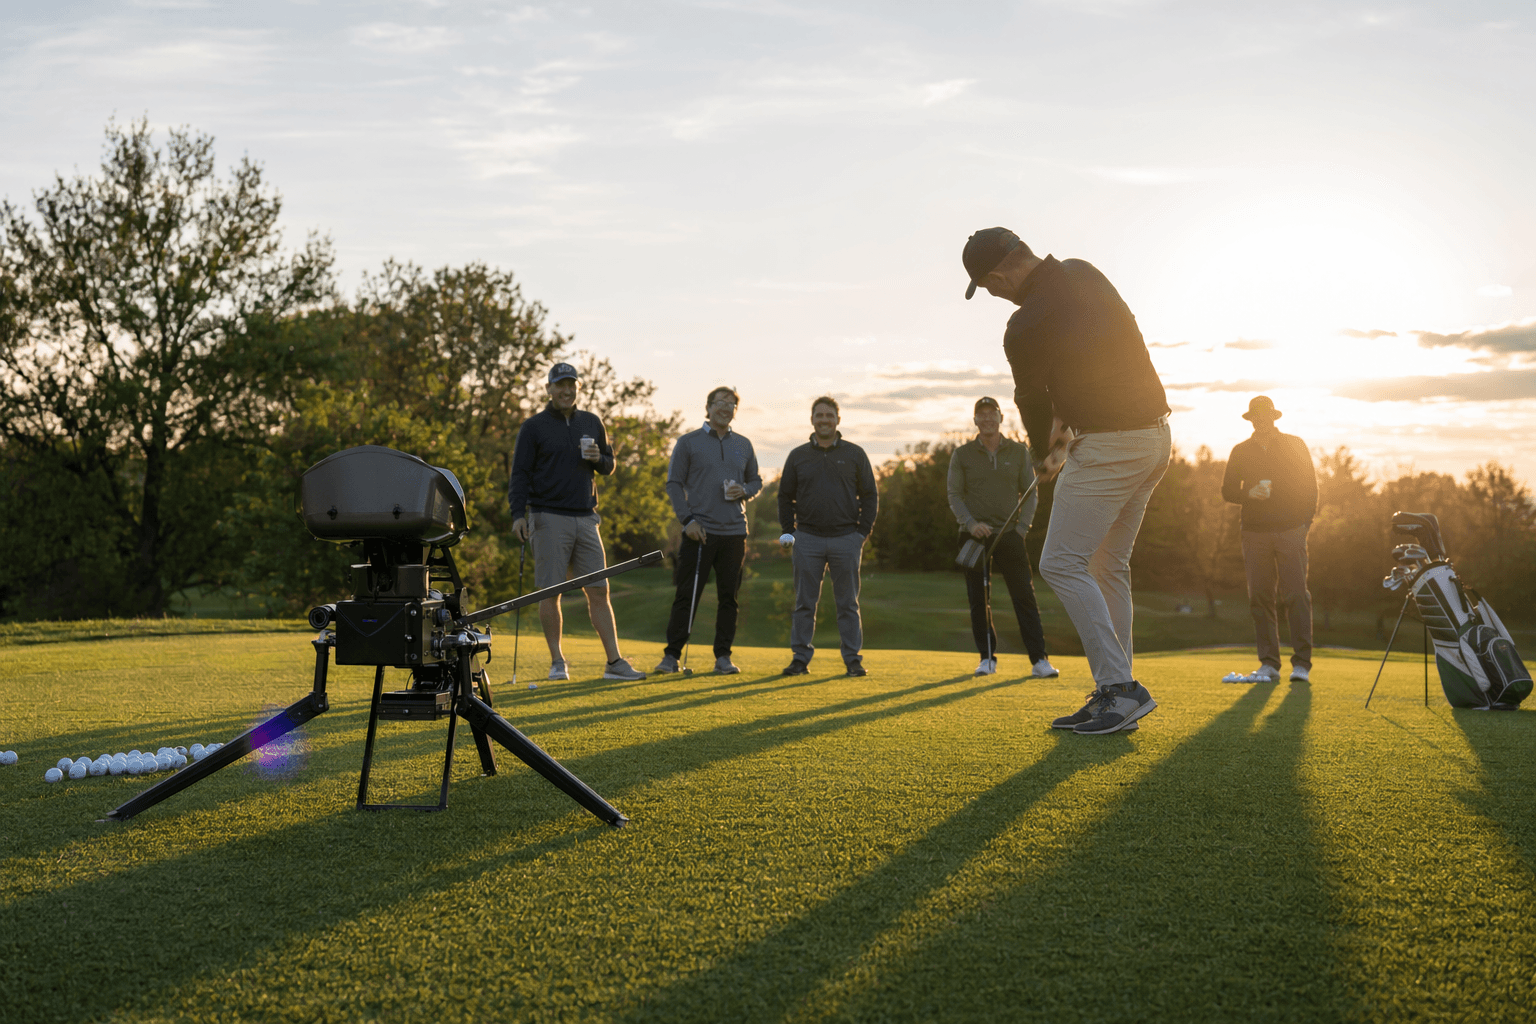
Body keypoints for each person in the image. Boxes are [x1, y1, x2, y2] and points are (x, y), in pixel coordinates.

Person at [963, 226, 1171, 735]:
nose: (993, 296)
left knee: (1060, 562)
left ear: (997, 274)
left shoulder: (1024, 324)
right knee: (1107, 564)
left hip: (1109, 445)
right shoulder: (1083, 271)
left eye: (988, 287)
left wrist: (1044, 453)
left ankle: (1121, 690)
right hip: (1156, 438)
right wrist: (1065, 430)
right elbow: (1106, 352)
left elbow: (1032, 401)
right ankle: (1113, 691)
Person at [508, 362, 646, 682]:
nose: (566, 390)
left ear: (578, 388)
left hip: (586, 518)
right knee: (550, 592)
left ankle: (614, 663)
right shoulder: (534, 427)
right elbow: (520, 475)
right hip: (547, 516)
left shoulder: (591, 422)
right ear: (549, 389)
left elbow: (609, 465)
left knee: (599, 590)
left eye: (572, 385)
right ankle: (558, 661)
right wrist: (518, 515)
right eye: (560, 385)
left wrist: (599, 458)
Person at [948, 396, 1059, 679]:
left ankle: (1039, 660)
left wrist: (1022, 528)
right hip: (973, 537)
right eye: (981, 415)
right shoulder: (962, 454)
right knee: (978, 598)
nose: (987, 419)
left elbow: (1031, 493)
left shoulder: (1018, 451)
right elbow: (955, 495)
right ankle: (986, 659)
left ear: (1000, 417)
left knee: (1024, 596)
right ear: (975, 420)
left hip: (1009, 534)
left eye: (992, 414)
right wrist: (970, 524)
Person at [654, 386, 762, 675]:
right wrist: (687, 521)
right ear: (709, 407)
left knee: (730, 598)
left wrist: (746, 490)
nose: (726, 408)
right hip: (698, 532)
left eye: (731, 404)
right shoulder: (688, 442)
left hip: (735, 532)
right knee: (687, 595)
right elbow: (674, 484)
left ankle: (723, 657)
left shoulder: (744, 444)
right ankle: (671, 656)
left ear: (735, 412)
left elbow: (756, 481)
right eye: (721, 402)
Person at [776, 396, 879, 677]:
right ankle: (800, 659)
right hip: (806, 538)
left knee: (848, 604)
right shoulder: (798, 455)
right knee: (804, 603)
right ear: (812, 419)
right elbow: (785, 496)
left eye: (829, 415)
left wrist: (861, 533)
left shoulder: (855, 454)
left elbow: (870, 495)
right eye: (819, 415)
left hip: (846, 538)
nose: (824, 420)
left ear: (838, 420)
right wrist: (789, 531)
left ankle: (852, 660)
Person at [1221, 395, 1318, 683]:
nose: (1260, 420)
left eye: (1265, 416)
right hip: (1253, 531)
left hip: (1291, 529)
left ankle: (1301, 664)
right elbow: (1227, 491)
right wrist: (1247, 494)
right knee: (1260, 597)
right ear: (1250, 419)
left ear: (1274, 417)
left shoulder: (1295, 444)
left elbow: (1310, 487)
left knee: (1296, 595)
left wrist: (1304, 525)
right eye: (1255, 417)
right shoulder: (1240, 451)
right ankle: (1269, 664)